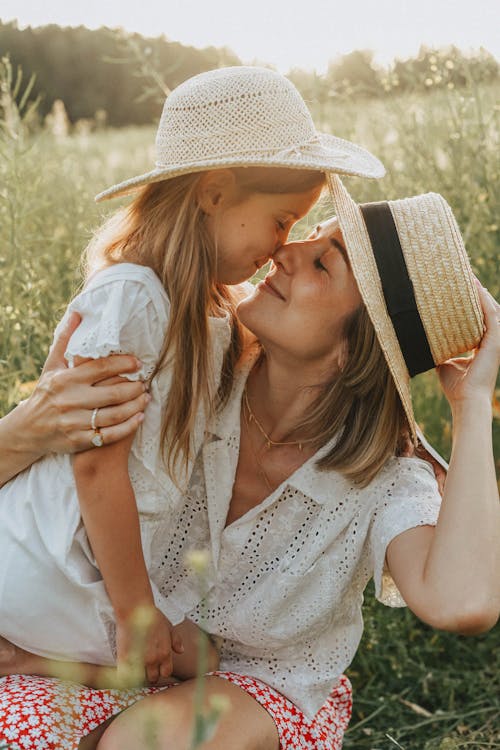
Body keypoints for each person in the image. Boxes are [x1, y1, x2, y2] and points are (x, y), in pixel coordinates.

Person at [0, 182, 498, 750]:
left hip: (255, 693)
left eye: (322, 263)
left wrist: (472, 404)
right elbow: (50, 475)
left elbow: (465, 604)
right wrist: (25, 428)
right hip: (114, 654)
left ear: (354, 349)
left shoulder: (383, 479)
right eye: (303, 235)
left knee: (148, 743)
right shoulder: (188, 357)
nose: (284, 252)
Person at [0, 65, 384, 688]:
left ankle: (34, 660)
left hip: (101, 562)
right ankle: (33, 660)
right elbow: (95, 464)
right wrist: (136, 611)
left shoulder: (213, 309)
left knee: (205, 661)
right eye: (282, 221)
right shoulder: (134, 297)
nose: (281, 246)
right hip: (54, 561)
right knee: (166, 658)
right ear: (213, 194)